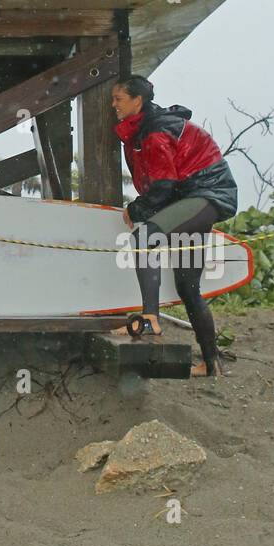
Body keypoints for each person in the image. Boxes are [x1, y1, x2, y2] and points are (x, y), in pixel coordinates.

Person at [109, 75, 238, 378]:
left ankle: (151, 319)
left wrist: (137, 208)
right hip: (191, 199)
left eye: (118, 99)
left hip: (207, 195)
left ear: (137, 101)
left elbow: (164, 185)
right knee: (187, 286)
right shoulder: (144, 128)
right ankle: (211, 362)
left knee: (144, 237)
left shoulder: (154, 133)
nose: (113, 105)